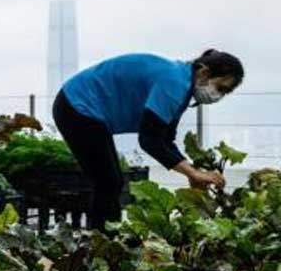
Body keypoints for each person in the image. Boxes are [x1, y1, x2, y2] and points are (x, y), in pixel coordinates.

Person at [54, 50, 244, 230]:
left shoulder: (182, 84)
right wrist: (193, 173)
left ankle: (107, 237)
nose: (218, 96)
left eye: (225, 92)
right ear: (204, 73)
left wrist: (192, 173)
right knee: (108, 181)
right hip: (77, 105)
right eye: (220, 88)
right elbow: (149, 140)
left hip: (84, 108)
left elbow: (165, 139)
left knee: (111, 181)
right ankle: (99, 240)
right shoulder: (174, 84)